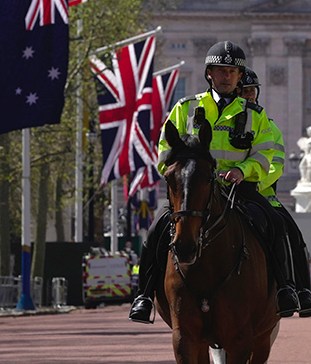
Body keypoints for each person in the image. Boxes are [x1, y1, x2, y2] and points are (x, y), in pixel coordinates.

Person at [128, 41, 300, 323]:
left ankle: (286, 289)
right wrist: (185, 172)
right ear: (210, 74)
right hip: (193, 190)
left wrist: (243, 171)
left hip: (238, 189)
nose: (226, 76)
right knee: (155, 231)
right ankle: (144, 295)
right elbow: (164, 150)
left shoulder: (255, 115)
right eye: (221, 71)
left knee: (276, 223)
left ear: (238, 76)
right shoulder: (186, 108)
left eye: (232, 72)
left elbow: (265, 153)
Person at [239, 68, 311, 317]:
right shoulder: (213, 119)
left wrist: (250, 183)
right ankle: (147, 293)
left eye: (252, 91)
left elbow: (275, 166)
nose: (249, 96)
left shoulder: (268, 125)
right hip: (216, 192)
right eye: (244, 91)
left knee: (290, 234)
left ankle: (296, 289)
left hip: (260, 196)